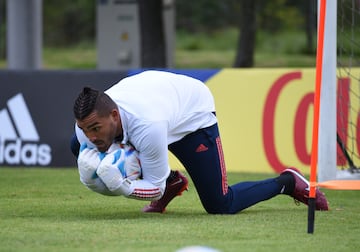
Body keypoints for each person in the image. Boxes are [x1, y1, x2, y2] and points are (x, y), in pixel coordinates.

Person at [71, 70, 329, 214]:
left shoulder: (147, 126)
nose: (91, 137)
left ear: (114, 116)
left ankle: (287, 182)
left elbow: (153, 189)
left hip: (191, 117)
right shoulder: (89, 126)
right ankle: (174, 179)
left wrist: (122, 186)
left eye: (95, 128)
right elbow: (89, 137)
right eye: (85, 129)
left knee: (220, 204)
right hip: (159, 107)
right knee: (75, 145)